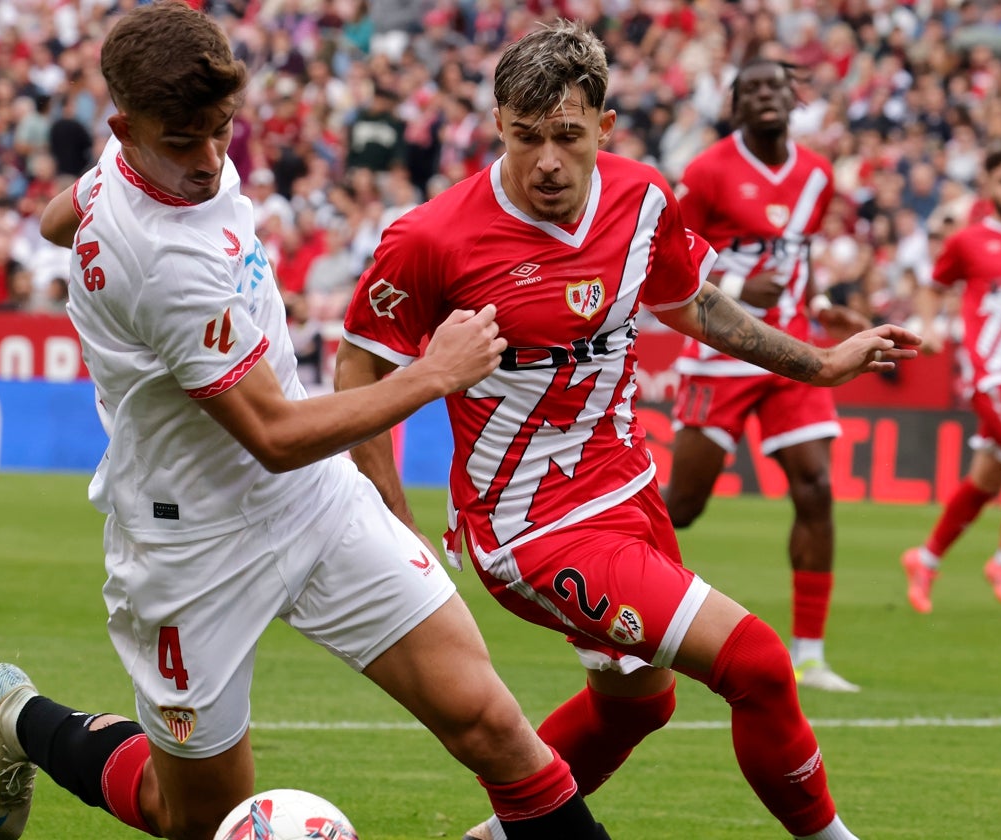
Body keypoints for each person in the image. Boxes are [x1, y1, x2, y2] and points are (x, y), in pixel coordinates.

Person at [0, 6, 612, 840]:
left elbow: (64, 217)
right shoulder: (161, 263)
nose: (207, 162)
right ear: (124, 127)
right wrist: (432, 374)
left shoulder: (133, 161)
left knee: (494, 728)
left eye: (220, 132)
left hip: (313, 501)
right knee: (190, 818)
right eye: (182, 140)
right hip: (192, 543)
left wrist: (100, 216)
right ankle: (20, 717)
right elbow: (271, 436)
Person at [336, 21, 918, 840]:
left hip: (628, 492)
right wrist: (393, 530)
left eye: (567, 137)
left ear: (604, 129)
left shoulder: (643, 198)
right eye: (525, 136)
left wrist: (818, 366)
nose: (545, 160)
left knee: (637, 708)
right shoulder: (432, 237)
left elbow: (692, 303)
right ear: (497, 122)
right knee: (757, 665)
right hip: (531, 527)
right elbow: (358, 369)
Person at [665, 57, 873, 694]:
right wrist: (733, 284)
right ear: (735, 105)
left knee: (815, 489)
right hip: (720, 352)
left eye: (775, 86)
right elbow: (667, 253)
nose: (765, 96)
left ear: (793, 97)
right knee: (685, 506)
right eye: (750, 88)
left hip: (791, 355)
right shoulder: (707, 172)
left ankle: (810, 654)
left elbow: (796, 256)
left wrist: (817, 306)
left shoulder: (816, 174)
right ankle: (627, 617)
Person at [901, 143, 1001, 613]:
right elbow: (933, 286)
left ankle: (925, 558)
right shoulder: (969, 241)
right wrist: (928, 328)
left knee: (985, 481)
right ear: (989, 188)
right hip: (992, 373)